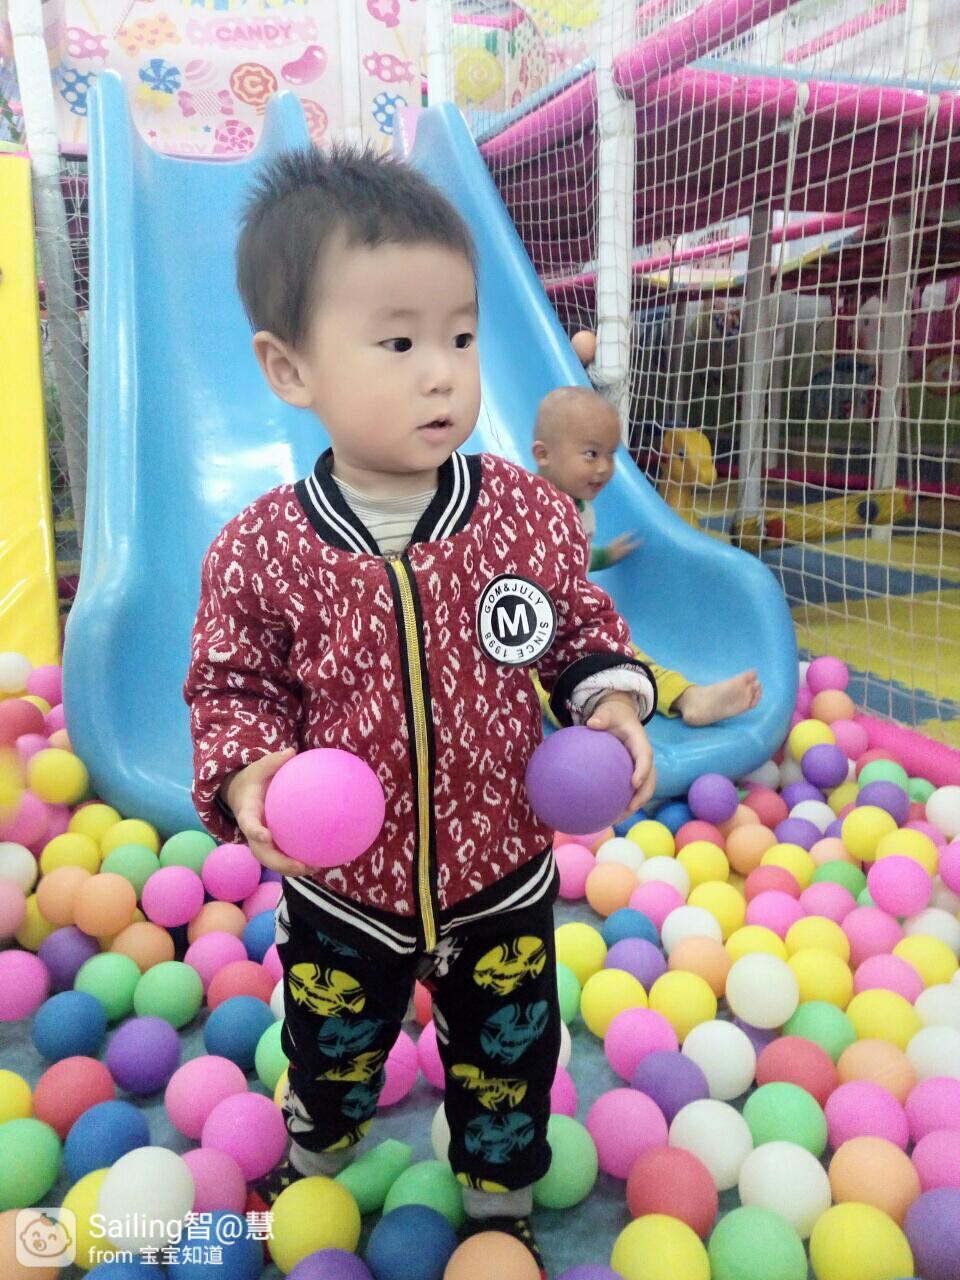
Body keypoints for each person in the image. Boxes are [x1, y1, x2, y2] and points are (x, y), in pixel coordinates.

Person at [183, 145, 658, 1272]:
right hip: (346, 891)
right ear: (289, 368)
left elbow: (574, 626)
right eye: (399, 344)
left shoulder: (523, 517)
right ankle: (319, 1143)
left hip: (500, 871)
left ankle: (500, 1193)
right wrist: (251, 773)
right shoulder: (263, 549)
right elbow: (233, 685)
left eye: (461, 337)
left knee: (510, 1050)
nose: (442, 374)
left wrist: (608, 700)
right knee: (331, 1040)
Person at [533, 385, 762, 726]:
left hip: (575, 622)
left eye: (611, 454)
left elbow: (576, 558)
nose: (604, 467)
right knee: (542, 681)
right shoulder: (530, 506)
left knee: (628, 655)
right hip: (534, 633)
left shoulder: (579, 506)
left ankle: (690, 698)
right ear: (544, 455)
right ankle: (592, 714)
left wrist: (606, 556)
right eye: (591, 454)